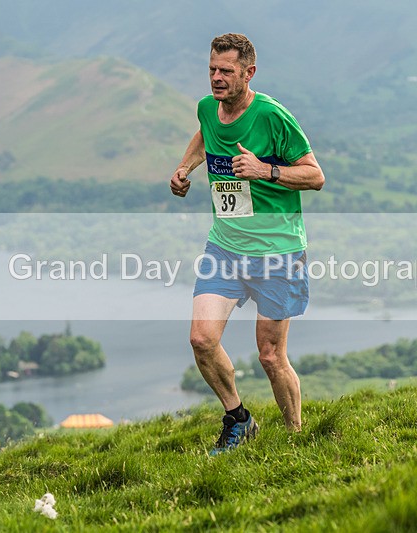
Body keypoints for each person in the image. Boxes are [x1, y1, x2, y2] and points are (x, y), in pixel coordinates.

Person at [170, 33, 324, 455]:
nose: (216, 78)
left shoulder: (272, 116)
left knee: (271, 356)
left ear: (248, 73)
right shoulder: (208, 107)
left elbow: (315, 176)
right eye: (212, 70)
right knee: (201, 339)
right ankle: (239, 419)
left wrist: (264, 170)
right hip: (225, 248)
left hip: (277, 252)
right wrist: (184, 168)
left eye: (226, 71)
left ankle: (294, 437)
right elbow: (205, 134)